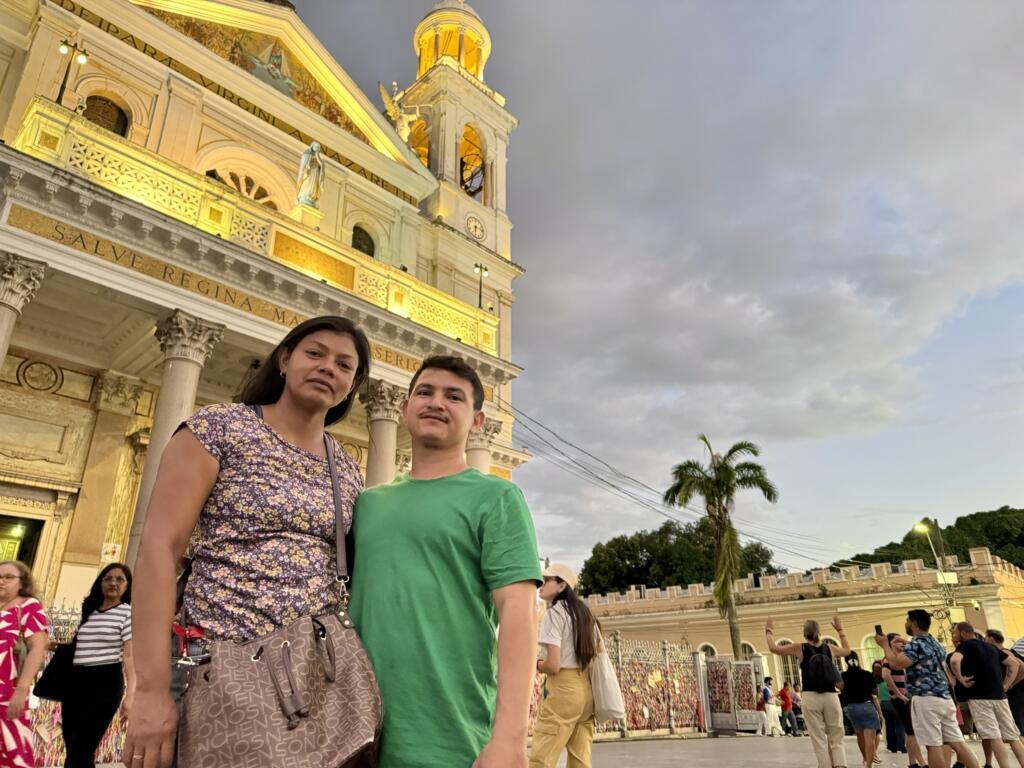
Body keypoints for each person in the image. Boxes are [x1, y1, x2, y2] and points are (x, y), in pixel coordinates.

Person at [125, 316, 372, 767]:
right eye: (314, 353)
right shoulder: (219, 428)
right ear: (284, 359)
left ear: (352, 386)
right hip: (221, 662)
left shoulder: (347, 467)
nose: (327, 368)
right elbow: (159, 549)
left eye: (343, 365)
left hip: (315, 674)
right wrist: (150, 689)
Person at [349, 355, 542, 767]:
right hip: (356, 735)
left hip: (450, 737)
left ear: (476, 421)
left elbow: (519, 614)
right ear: (405, 408)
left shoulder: (496, 498)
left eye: (454, 397)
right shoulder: (367, 504)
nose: (436, 402)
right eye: (425, 392)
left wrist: (510, 737)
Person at [876, 610, 981, 768]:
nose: (906, 623)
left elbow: (897, 663)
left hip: (925, 699)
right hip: (944, 698)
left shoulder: (916, 645)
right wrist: (906, 643)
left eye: (907, 620)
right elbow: (921, 654)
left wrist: (885, 645)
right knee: (958, 743)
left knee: (933, 745)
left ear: (914, 623)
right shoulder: (935, 643)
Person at [62, 562, 134, 768]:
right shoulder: (90, 611)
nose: (113, 583)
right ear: (100, 583)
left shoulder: (128, 613)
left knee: (81, 746)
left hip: (105, 683)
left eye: (120, 579)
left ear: (128, 585)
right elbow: (81, 645)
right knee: (74, 747)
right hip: (75, 683)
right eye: (108, 578)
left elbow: (130, 656)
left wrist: (131, 694)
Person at [530, 563, 599, 768]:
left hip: (563, 692)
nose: (539, 585)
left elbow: (553, 665)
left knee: (541, 759)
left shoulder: (554, 614)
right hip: (586, 692)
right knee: (580, 761)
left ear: (562, 586)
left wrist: (537, 664)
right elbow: (597, 652)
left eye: (547, 579)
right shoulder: (585, 614)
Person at [766, 615, 853, 768]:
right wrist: (840, 630)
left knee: (818, 737)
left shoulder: (800, 648)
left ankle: (824, 765)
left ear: (804, 634)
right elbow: (847, 651)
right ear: (819, 632)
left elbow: (774, 648)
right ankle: (840, 765)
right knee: (836, 734)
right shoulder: (829, 648)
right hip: (831, 695)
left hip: (810, 696)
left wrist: (769, 631)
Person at [948, 621, 1024, 768]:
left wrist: (960, 679)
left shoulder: (966, 646)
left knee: (993, 736)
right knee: (1012, 735)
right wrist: (1006, 685)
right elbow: (1015, 664)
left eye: (956, 633)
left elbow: (955, 661)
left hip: (979, 698)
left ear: (963, 633)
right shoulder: (990, 647)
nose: (955, 636)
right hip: (1000, 697)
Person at [0, 560, 49, 768]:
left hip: (8, 692)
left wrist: (22, 689)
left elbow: (38, 648)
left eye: (8, 577)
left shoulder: (28, 606)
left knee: (13, 752)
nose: (2, 581)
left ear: (22, 582)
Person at [883, 633, 927, 768]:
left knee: (909, 731)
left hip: (907, 698)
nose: (902, 643)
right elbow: (885, 675)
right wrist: (899, 694)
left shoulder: (901, 659)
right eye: (897, 641)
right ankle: (922, 763)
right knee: (911, 731)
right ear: (890, 644)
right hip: (900, 700)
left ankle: (912, 762)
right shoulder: (888, 660)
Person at [842, 652, 883, 768]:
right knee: (869, 738)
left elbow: (842, 690)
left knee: (860, 736)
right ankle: (869, 764)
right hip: (867, 705)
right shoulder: (867, 674)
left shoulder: (844, 675)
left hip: (852, 708)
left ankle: (865, 758)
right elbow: (875, 692)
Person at [986, 629, 1024, 734]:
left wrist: (1009, 684)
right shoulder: (1009, 651)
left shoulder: (1004, 652)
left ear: (991, 639)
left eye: (985, 639)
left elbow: (1020, 666)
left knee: (1017, 725)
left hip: (1016, 693)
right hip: (1018, 692)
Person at [875, 658, 906, 754]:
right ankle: (901, 747)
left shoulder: (877, 681)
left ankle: (891, 746)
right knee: (899, 725)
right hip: (891, 702)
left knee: (889, 725)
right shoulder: (888, 680)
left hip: (883, 704)